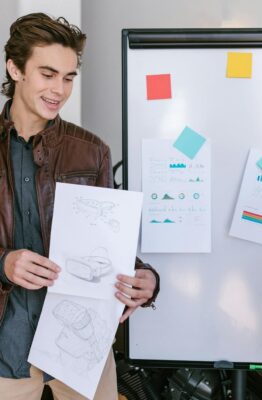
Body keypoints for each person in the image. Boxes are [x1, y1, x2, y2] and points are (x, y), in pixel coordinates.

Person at [0, 13, 159, 399]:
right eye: (48, 74)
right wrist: (4, 264)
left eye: (69, 77)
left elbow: (108, 243)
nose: (60, 89)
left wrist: (147, 281)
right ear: (15, 69)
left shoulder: (91, 151)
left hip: (82, 353)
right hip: (7, 349)